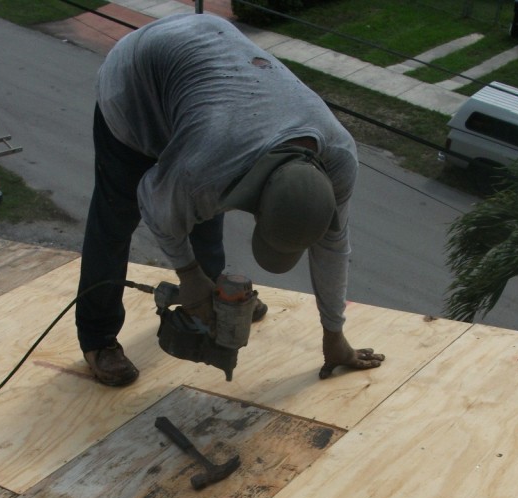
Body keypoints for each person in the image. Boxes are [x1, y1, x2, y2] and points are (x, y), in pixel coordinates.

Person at [76, 12, 384, 386]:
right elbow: (155, 204)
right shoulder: (206, 165)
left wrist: (334, 335)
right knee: (115, 219)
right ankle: (98, 338)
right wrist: (188, 275)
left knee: (202, 209)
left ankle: (216, 301)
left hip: (210, 97)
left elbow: (333, 250)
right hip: (136, 82)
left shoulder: (338, 160)